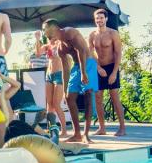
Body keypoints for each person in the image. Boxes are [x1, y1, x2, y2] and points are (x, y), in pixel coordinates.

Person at [42, 19, 97, 144]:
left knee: (88, 94)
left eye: (45, 29)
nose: (44, 32)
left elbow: (81, 51)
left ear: (54, 28)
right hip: (77, 67)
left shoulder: (69, 32)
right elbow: (65, 69)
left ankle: (86, 134)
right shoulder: (61, 48)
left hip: (88, 63)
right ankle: (77, 134)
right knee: (69, 98)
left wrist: (84, 73)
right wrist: (66, 87)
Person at [88, 9, 126, 137]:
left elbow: (118, 53)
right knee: (98, 97)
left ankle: (122, 128)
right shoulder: (92, 35)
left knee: (114, 97)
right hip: (99, 68)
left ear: (106, 19)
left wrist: (114, 72)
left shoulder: (113, 33)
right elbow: (90, 53)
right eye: (97, 18)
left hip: (111, 67)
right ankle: (102, 128)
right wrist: (98, 68)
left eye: (101, 18)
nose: (99, 20)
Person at [35, 28, 68, 139]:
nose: (50, 35)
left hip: (59, 74)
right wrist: (37, 39)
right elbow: (38, 53)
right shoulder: (47, 46)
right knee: (49, 104)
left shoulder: (60, 43)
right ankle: (52, 128)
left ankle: (64, 130)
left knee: (56, 104)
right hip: (49, 75)